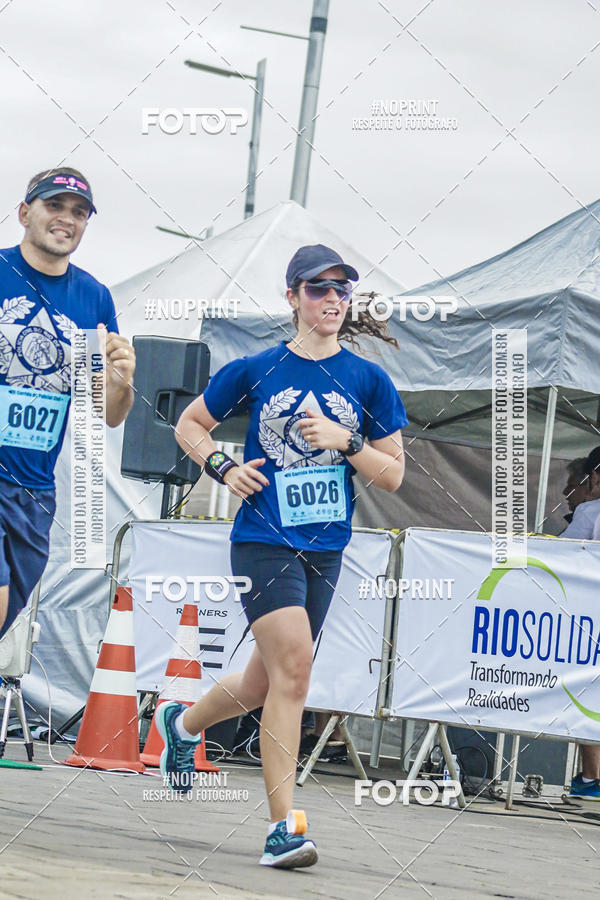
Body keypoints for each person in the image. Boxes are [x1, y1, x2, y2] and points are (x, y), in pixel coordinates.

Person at [164, 244, 408, 868]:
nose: (332, 299)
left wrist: (348, 440)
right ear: (293, 296)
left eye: (341, 290)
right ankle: (283, 828)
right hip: (263, 538)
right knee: (295, 671)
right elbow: (189, 423)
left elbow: (393, 476)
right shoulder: (256, 368)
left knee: (265, 679)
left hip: (326, 546)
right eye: (318, 289)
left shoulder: (368, 380)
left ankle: (182, 726)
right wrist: (221, 466)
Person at [0, 167, 136, 638]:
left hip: (34, 490)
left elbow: (111, 412)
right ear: (24, 213)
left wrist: (122, 379)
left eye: (78, 212)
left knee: (5, 614)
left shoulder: (93, 298)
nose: (66, 218)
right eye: (54, 205)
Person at [561, 448, 600, 798]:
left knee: (586, 690)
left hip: (591, 618)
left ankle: (592, 777)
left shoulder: (590, 512)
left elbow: (560, 557)